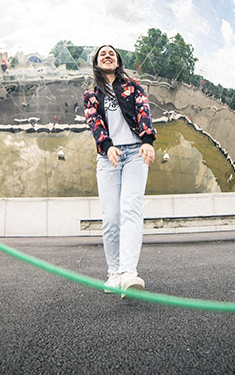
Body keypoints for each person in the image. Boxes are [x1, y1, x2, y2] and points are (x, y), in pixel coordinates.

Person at [83, 45, 156, 294]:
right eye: (102, 53)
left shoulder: (133, 86)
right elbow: (95, 121)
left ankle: (128, 272)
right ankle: (113, 272)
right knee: (111, 217)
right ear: (96, 62)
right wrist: (106, 146)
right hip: (108, 158)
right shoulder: (91, 94)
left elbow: (143, 111)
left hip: (135, 153)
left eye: (111, 53)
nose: (107, 55)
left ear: (118, 61)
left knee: (131, 209)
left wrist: (147, 141)